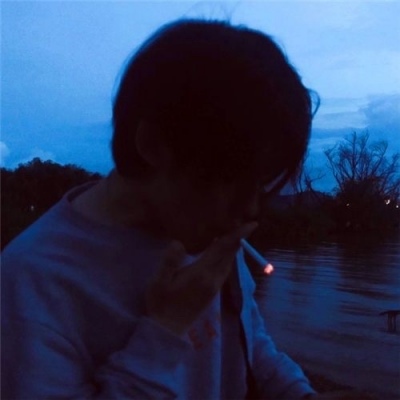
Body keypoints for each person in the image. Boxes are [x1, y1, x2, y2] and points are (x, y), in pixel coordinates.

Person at [1, 19, 376, 400]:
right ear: (153, 144)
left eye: (261, 184)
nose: (250, 210)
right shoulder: (32, 284)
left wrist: (301, 395)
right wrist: (165, 328)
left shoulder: (209, 231)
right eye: (232, 179)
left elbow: (248, 342)